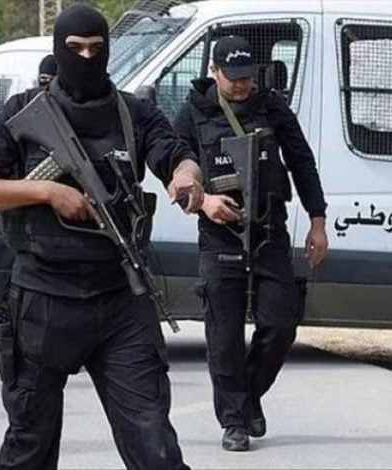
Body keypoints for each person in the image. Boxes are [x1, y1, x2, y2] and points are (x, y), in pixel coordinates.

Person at [0, 5, 202, 469]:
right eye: (75, 49)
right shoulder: (23, 111)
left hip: (121, 296)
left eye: (96, 48)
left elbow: (175, 154)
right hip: (44, 298)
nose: (87, 57)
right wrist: (47, 191)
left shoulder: (132, 112)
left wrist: (185, 177)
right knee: (30, 445)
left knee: (155, 446)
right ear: (59, 50)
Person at [173, 35, 328, 452]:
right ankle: (234, 421)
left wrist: (317, 220)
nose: (243, 85)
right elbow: (175, 174)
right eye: (234, 78)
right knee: (223, 335)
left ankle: (248, 395)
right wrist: (204, 202)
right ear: (213, 72)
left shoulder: (271, 107)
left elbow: (302, 161)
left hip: (268, 232)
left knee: (281, 321)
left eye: (248, 77)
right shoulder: (192, 114)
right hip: (219, 234)